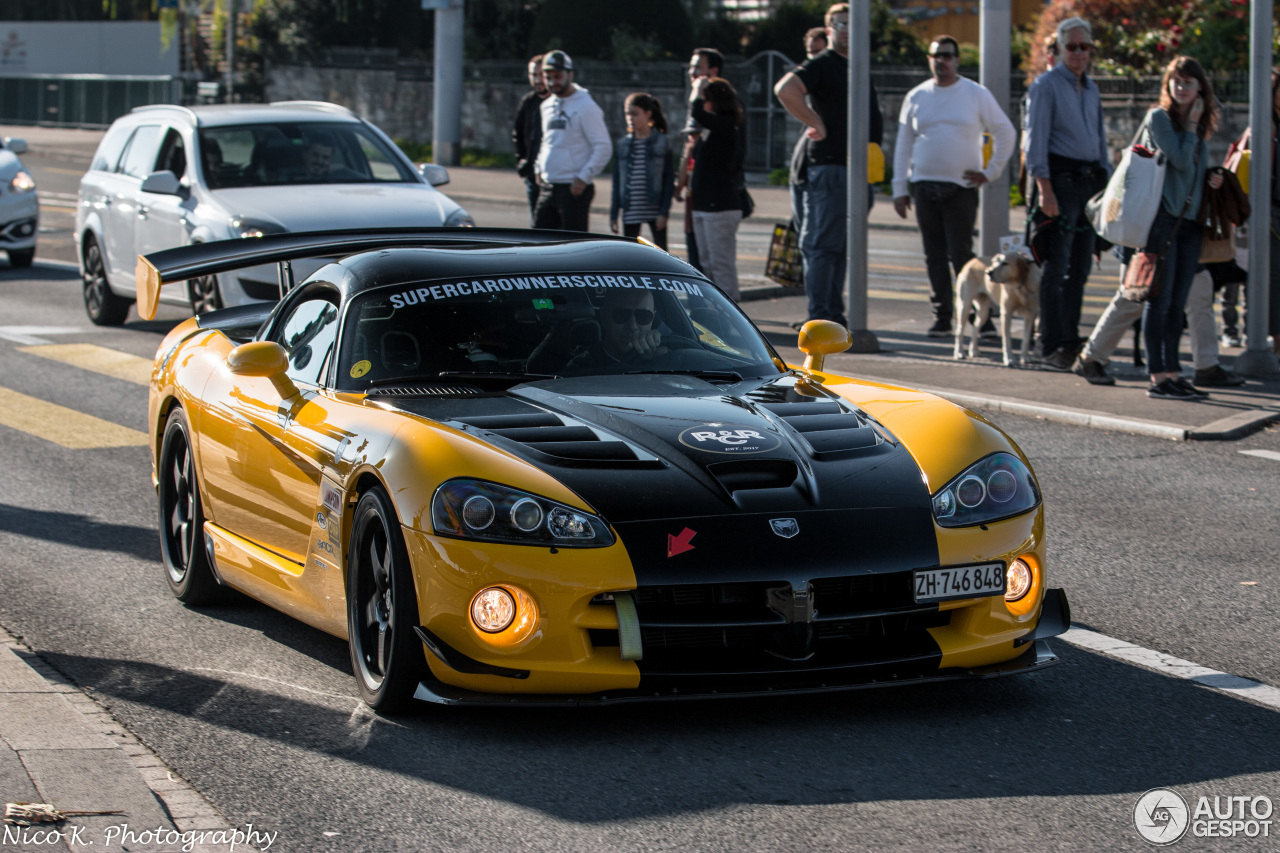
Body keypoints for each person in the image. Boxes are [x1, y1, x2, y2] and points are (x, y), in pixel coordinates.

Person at [891, 34, 1016, 338]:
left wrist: (990, 171)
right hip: (923, 186)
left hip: (960, 188)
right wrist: (899, 188)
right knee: (933, 255)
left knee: (961, 255)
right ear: (930, 60)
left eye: (947, 55)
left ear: (957, 60)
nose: (941, 61)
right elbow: (903, 144)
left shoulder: (975, 94)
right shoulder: (917, 96)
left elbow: (1005, 131)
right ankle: (943, 316)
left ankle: (981, 318)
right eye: (936, 56)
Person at [773, 3, 884, 329]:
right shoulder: (825, 63)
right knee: (823, 247)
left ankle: (831, 317)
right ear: (829, 29)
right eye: (840, 24)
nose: (847, 29)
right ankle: (821, 317)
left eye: (853, 23)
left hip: (856, 171)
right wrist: (816, 122)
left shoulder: (857, 65)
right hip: (832, 169)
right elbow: (785, 89)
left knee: (838, 249)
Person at [1133, 56, 1225, 400]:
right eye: (1176, 81)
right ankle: (1157, 377)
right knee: (1159, 299)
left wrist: (1212, 178)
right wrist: (1191, 128)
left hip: (1189, 223)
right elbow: (1179, 159)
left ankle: (1173, 372)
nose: (1182, 87)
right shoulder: (1160, 118)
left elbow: (1191, 171)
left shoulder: (1198, 125)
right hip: (1162, 220)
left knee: (1177, 303)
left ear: (1201, 87)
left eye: (1189, 81)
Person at [1023, 17, 1111, 370]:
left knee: (1080, 269)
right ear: (1058, 50)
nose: (1077, 53)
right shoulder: (1045, 86)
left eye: (1083, 47)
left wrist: (1105, 189)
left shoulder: (1090, 88)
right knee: (1057, 267)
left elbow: (1101, 142)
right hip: (1060, 181)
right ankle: (1052, 343)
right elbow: (1035, 143)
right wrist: (1044, 189)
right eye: (1071, 47)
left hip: (1089, 183)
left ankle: (1071, 339)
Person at [1074, 268, 1245, 387]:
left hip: (1172, 235)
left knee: (1198, 291)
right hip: (1149, 239)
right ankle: (1092, 357)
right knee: (1134, 299)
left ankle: (1205, 366)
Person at [533, 50, 611, 232]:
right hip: (548, 184)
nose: (553, 82)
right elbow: (547, 140)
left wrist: (584, 177)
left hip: (573, 188)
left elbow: (603, 146)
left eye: (558, 76)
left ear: (570, 75)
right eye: (548, 77)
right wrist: (538, 167)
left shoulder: (586, 106)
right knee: (538, 241)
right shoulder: (546, 105)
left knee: (573, 244)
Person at [688, 77, 746, 300]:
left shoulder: (726, 125)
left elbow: (696, 112)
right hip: (703, 204)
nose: (703, 103)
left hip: (720, 205)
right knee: (706, 263)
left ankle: (731, 311)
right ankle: (713, 308)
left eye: (706, 99)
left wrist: (696, 89)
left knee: (721, 265)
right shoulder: (710, 130)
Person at [675, 47, 725, 272]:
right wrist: (681, 182)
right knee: (696, 256)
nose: (692, 72)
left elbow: (695, 146)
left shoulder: (717, 106)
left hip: (712, 193)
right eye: (691, 67)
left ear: (713, 71)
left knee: (713, 263)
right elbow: (689, 146)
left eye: (698, 67)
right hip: (694, 191)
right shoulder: (696, 100)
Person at [610, 93, 674, 250]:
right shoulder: (623, 144)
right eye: (628, 113)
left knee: (662, 254)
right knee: (630, 253)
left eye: (635, 114)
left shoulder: (662, 142)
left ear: (648, 114)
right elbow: (617, 180)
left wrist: (664, 211)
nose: (630, 118)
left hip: (654, 207)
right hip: (631, 207)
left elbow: (668, 179)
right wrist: (614, 213)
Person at [789, 26, 830, 238]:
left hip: (818, 173)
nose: (812, 58)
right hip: (801, 171)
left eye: (818, 52)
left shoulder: (829, 76)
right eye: (810, 52)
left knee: (814, 239)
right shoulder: (808, 80)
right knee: (804, 237)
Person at [569, 290, 668, 369]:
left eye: (643, 316)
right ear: (603, 317)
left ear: (653, 319)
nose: (632, 326)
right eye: (621, 315)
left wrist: (662, 360)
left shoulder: (667, 359)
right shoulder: (582, 366)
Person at [512, 54, 549, 224]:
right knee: (537, 225)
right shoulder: (528, 101)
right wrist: (521, 160)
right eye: (533, 75)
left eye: (541, 74)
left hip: (554, 176)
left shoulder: (559, 102)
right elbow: (518, 133)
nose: (538, 79)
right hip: (532, 173)